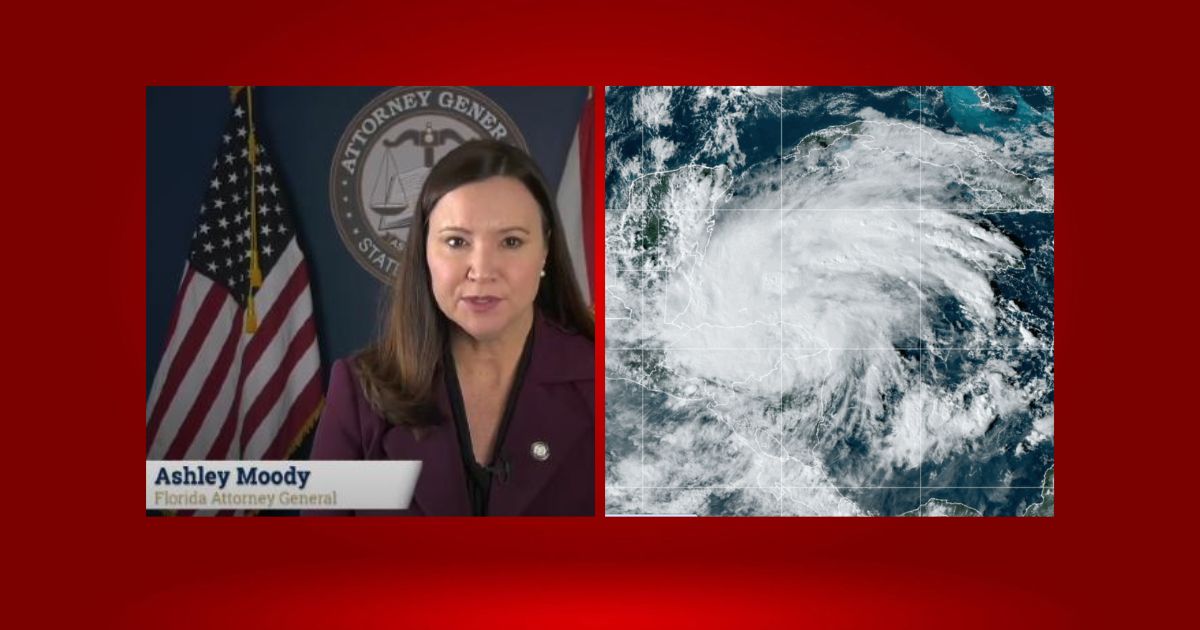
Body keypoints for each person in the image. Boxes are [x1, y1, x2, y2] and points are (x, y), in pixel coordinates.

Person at [311, 140, 594, 516]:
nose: (481, 270)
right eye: (456, 241)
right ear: (424, 252)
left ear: (545, 251)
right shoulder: (359, 391)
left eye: (511, 242)